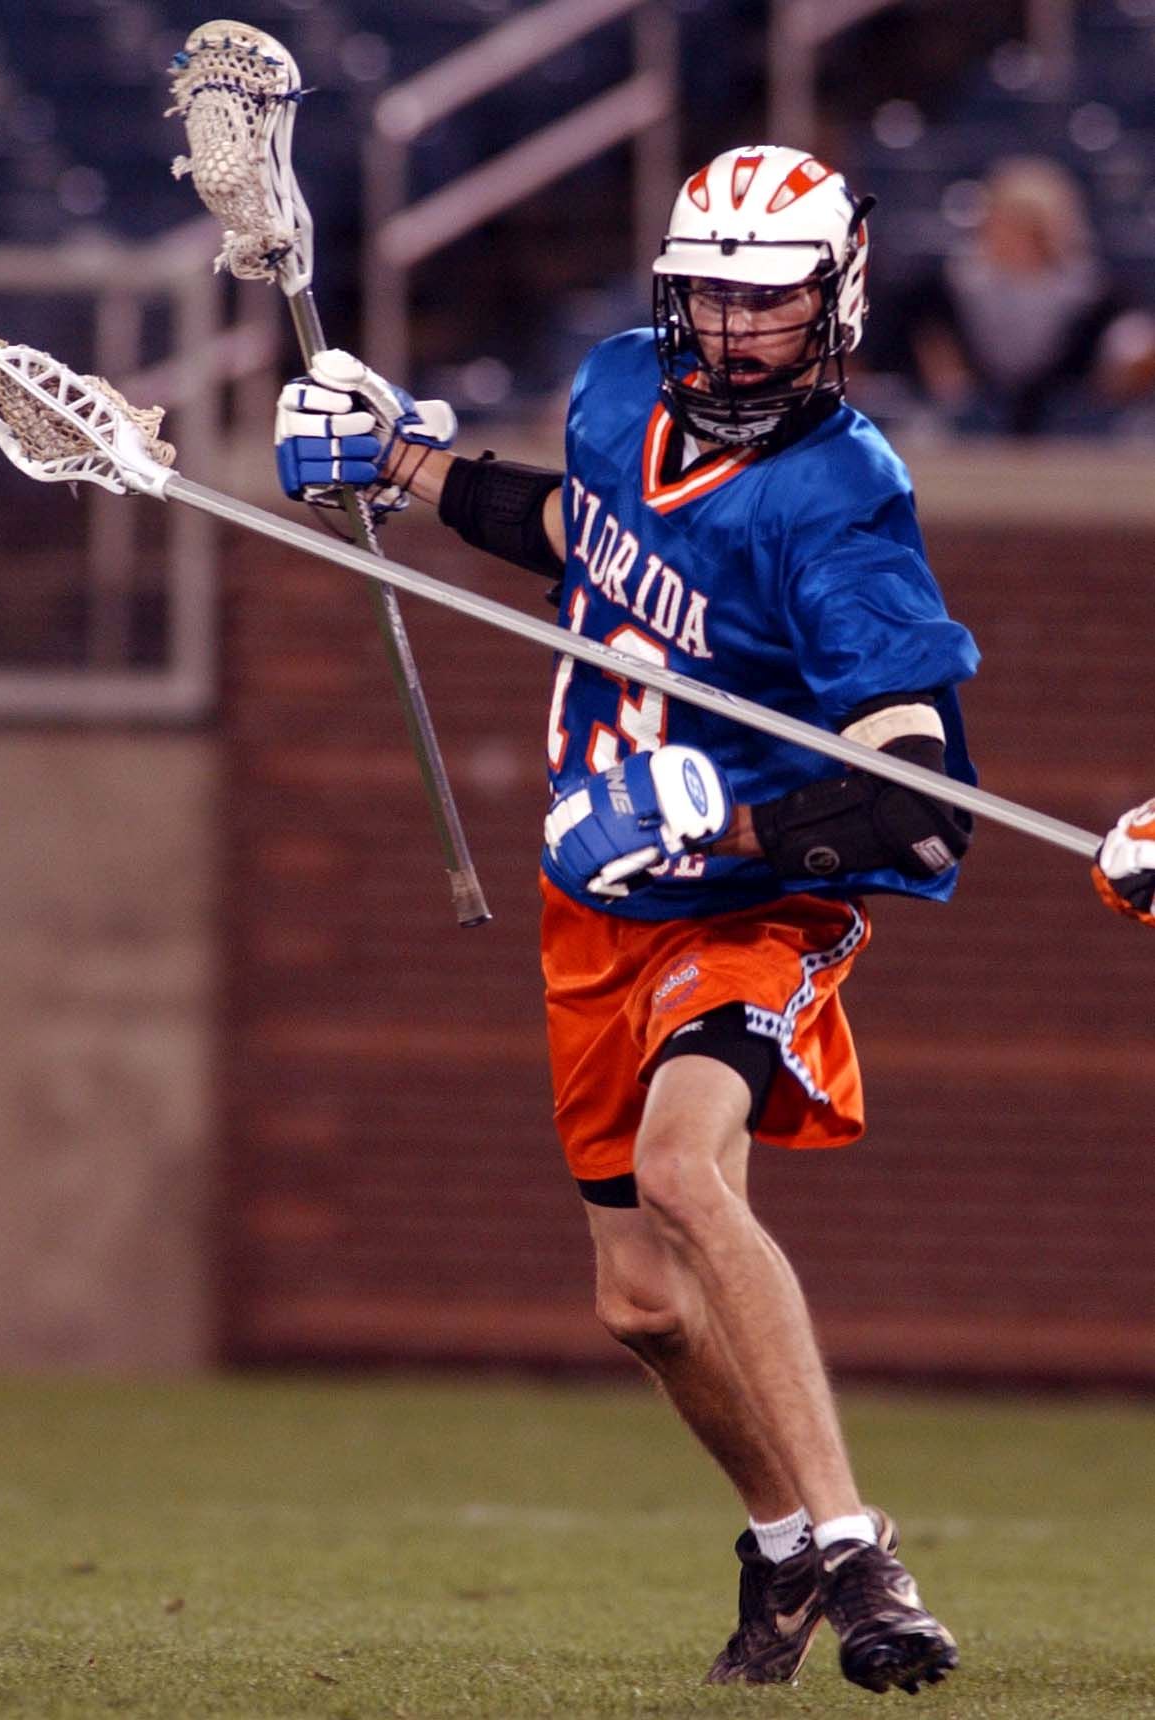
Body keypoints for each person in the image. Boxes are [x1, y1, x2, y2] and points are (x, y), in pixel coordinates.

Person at [274, 144, 983, 1696]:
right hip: (589, 904)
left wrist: (724, 821)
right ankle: (782, 1543)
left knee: (680, 1170)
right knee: (642, 1306)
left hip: (750, 902)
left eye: (767, 300)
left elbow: (921, 799)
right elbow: (580, 528)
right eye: (709, 296)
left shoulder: (844, 501)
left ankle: (859, 1555)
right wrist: (398, 468)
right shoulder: (612, 388)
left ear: (835, 301)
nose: (732, 329)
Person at [900, 154, 1155, 436]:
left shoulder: (1096, 298)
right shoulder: (943, 291)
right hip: (967, 437)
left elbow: (1128, 349)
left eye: (1029, 227)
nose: (1015, 237)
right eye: (1006, 223)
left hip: (1068, 439)